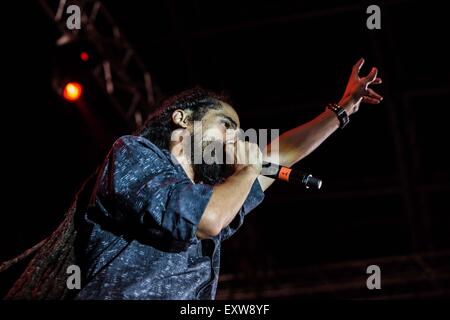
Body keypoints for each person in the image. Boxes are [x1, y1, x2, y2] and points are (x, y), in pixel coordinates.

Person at [3, 58, 382, 299]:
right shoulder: (133, 153)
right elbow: (206, 219)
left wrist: (343, 109)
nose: (238, 137)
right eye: (226, 125)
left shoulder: (216, 191)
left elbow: (279, 154)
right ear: (183, 120)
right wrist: (249, 167)